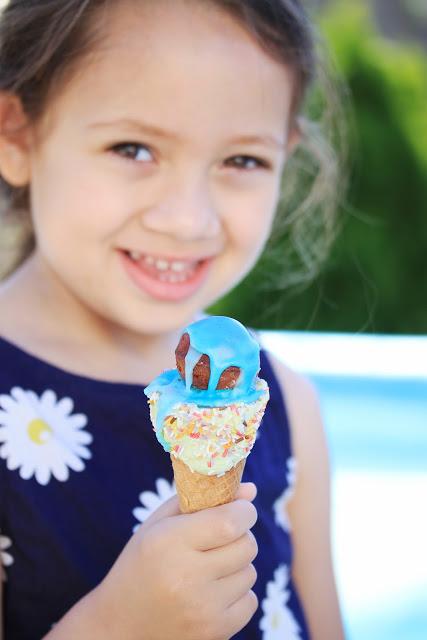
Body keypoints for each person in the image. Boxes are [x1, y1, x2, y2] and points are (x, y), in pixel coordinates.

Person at [0, 0, 345, 638]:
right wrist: (118, 625)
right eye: (132, 148)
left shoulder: (288, 408)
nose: (189, 220)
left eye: (242, 161)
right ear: (16, 137)